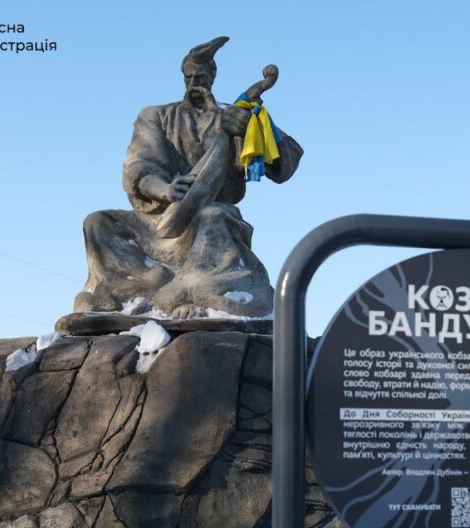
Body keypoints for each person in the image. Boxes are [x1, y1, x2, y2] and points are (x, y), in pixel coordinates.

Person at [74, 36, 303, 319]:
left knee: (212, 216)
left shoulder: (232, 117)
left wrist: (247, 129)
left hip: (208, 216)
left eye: (201, 77)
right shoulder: (156, 116)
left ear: (212, 77)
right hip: (158, 218)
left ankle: (190, 290)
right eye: (189, 77)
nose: (195, 83)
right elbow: (139, 167)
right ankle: (140, 285)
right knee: (97, 221)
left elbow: (285, 165)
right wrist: (165, 190)